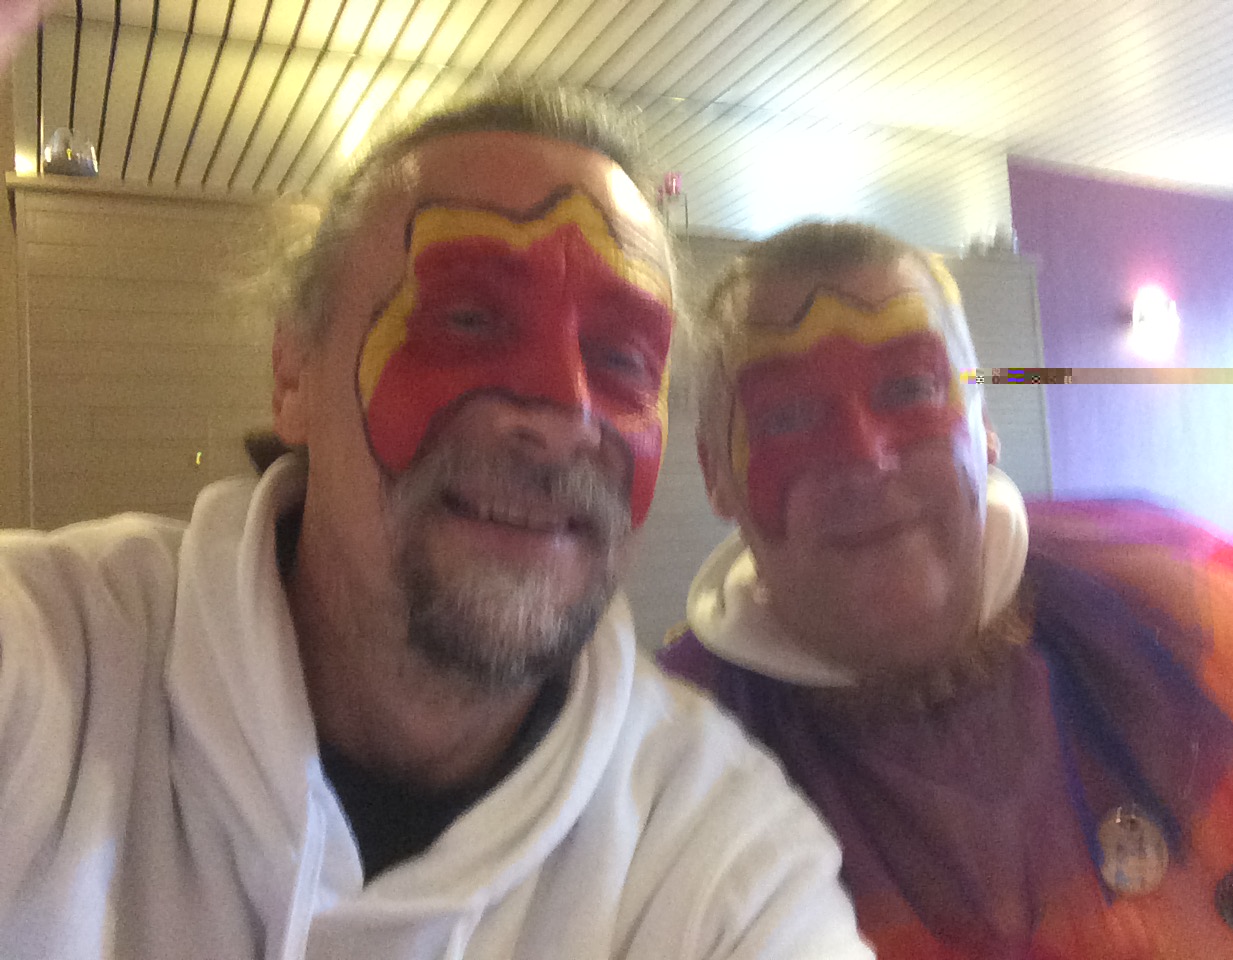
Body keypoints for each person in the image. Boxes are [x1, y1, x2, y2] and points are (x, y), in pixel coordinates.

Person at [0, 88, 873, 959]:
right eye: (469, 318)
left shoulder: (723, 856)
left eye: (619, 357)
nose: (565, 418)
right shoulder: (56, 671)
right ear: (293, 375)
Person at [660, 220, 1233, 958]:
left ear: (983, 426)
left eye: (908, 389)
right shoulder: (660, 779)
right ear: (714, 475)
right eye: (789, 416)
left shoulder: (1181, 623)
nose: (867, 457)